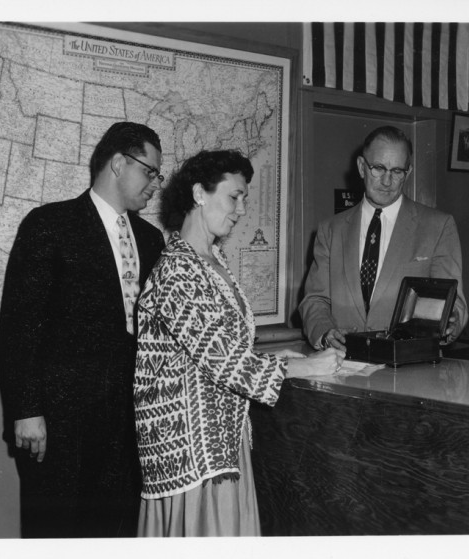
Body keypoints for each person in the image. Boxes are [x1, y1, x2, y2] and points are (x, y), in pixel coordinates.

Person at [134, 149, 344, 537]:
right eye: (235, 196)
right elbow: (221, 360)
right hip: (191, 454)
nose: (242, 208)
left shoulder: (212, 259)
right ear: (200, 193)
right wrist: (303, 366)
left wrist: (278, 355)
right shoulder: (177, 268)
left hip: (221, 441)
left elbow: (223, 346)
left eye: (245, 198)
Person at [0, 122, 166, 538]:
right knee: (55, 533)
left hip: (126, 428)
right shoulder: (49, 225)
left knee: (114, 533)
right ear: (118, 162)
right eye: (150, 172)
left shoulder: (150, 239)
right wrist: (26, 409)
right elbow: (19, 326)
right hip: (58, 426)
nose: (155, 185)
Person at [299, 125, 467, 351]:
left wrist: (450, 323)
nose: (387, 181)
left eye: (397, 171)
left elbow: (454, 302)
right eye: (378, 168)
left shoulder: (438, 226)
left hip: (409, 370)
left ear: (407, 173)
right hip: (343, 367)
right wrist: (326, 332)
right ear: (361, 167)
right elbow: (315, 300)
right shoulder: (331, 230)